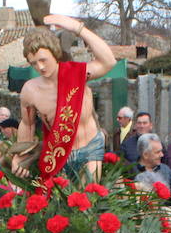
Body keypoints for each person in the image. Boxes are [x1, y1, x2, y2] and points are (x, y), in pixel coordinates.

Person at [16, 14, 117, 178]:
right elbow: (27, 125)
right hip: (58, 155)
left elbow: (109, 61)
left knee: (88, 200)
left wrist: (77, 28)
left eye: (43, 60)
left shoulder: (77, 73)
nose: (40, 67)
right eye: (34, 63)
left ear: (55, 54)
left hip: (90, 147)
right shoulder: (30, 90)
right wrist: (20, 155)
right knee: (59, 202)